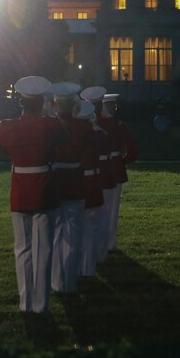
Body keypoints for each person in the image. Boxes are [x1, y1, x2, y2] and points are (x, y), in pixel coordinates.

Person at [0, 76, 69, 313]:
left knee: (23, 248)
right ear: (41, 102)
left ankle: (25, 302)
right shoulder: (50, 124)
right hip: (44, 187)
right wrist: (48, 112)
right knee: (43, 248)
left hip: (20, 188)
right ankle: (40, 304)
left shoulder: (5, 126)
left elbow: (1, 146)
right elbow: (64, 137)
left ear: (21, 102)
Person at [50, 82, 89, 294]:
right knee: (74, 235)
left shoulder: (49, 124)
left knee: (55, 234)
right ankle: (70, 281)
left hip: (55, 180)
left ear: (56, 103)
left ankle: (56, 281)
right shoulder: (83, 126)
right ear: (74, 104)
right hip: (75, 180)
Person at [81, 86, 115, 264]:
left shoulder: (79, 135)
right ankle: (100, 253)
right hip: (102, 175)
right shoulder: (103, 132)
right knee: (102, 217)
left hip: (84, 178)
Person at [101, 93, 138, 252]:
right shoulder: (118, 125)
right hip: (115, 167)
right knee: (113, 208)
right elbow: (133, 149)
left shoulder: (93, 124)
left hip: (98, 168)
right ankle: (109, 243)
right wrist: (122, 161)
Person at [76, 100, 107, 279]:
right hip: (93, 181)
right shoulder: (98, 136)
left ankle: (76, 266)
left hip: (75, 181)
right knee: (91, 227)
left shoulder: (69, 134)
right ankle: (88, 267)